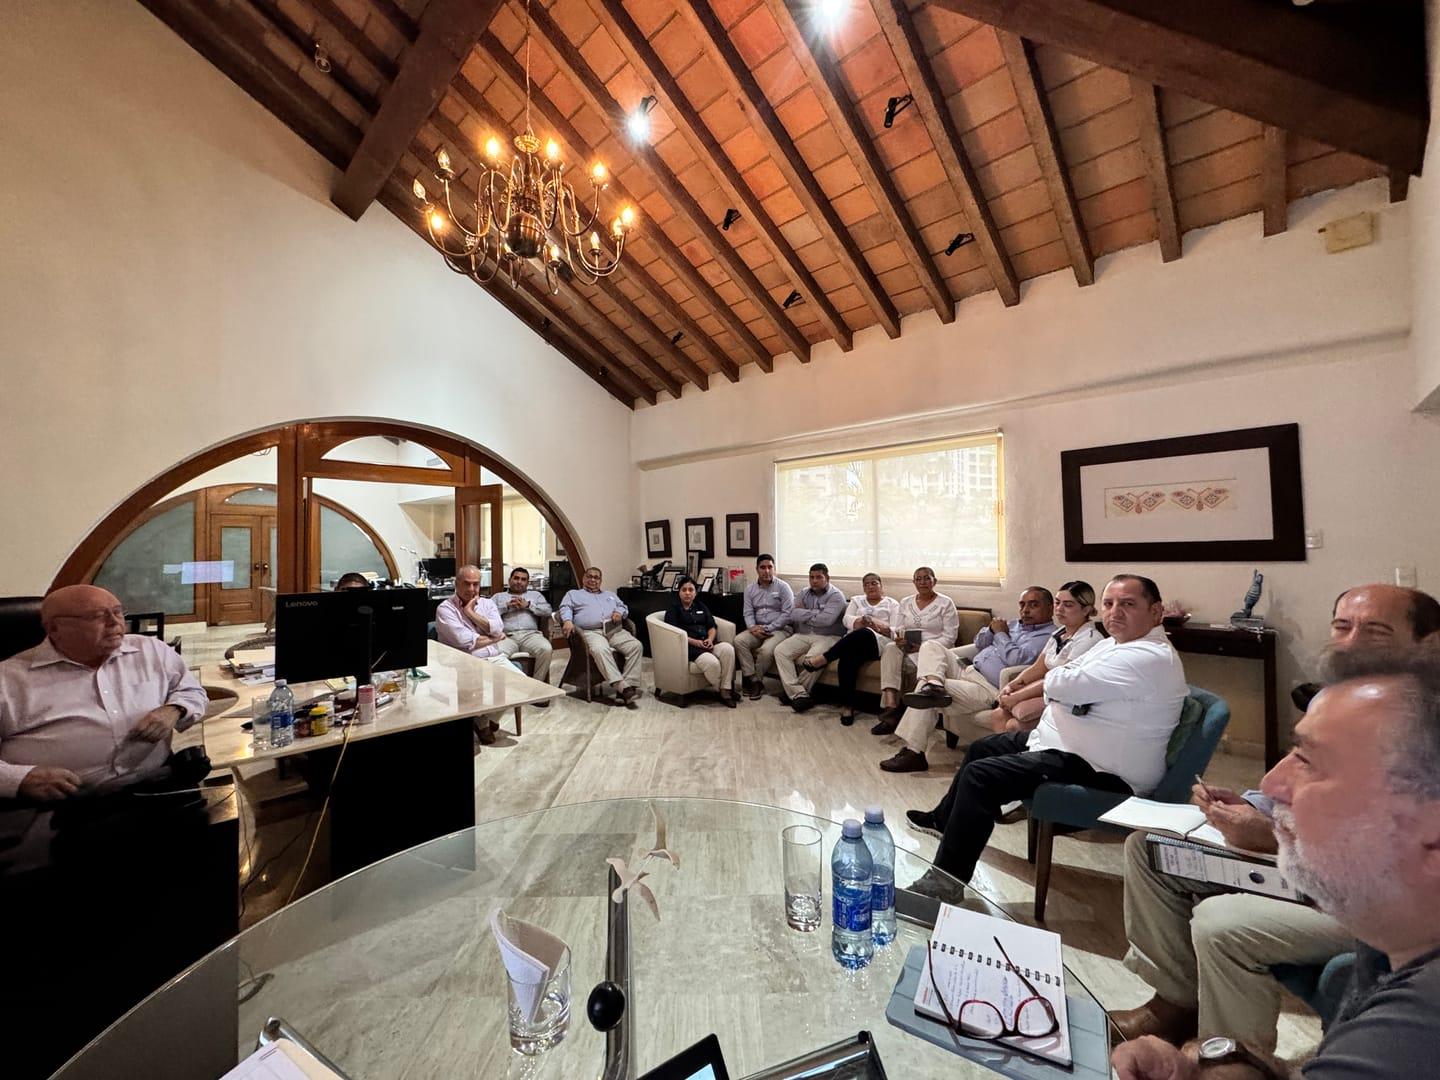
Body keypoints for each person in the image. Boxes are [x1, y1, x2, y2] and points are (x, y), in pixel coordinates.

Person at [1111, 583, 1440, 1062]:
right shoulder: (1336, 699)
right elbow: (1295, 781)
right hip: (1297, 850)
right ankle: (1174, 1002)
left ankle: (1231, 1059)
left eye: (1374, 631)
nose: (1350, 643)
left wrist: (1267, 833)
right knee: (1149, 848)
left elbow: (1381, 851)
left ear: (1428, 643)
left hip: (1354, 891)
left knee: (1221, 922)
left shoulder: (1422, 722)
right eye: (1342, 627)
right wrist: (1250, 805)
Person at [906, 575, 1187, 895]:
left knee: (980, 776)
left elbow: (1061, 683)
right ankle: (944, 820)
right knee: (982, 749)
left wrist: (1064, 682)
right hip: (1067, 745)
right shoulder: (1113, 644)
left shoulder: (1147, 656)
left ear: (1156, 611)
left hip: (1103, 770)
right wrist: (1064, 682)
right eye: (1109, 604)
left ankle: (945, 883)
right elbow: (1062, 676)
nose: (1115, 612)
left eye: (1128, 604)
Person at [0, 584, 208, 800]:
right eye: (96, 616)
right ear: (54, 628)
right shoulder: (8, 679)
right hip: (59, 805)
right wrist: (20, 779)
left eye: (118, 612)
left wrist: (174, 709)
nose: (114, 622)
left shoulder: (150, 650)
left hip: (157, 787)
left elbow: (191, 690)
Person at [880, 586, 1057, 773]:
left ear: (1050, 608)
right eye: (1022, 605)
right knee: (931, 646)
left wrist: (1000, 634)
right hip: (969, 668)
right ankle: (934, 684)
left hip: (989, 687)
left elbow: (1017, 660)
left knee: (924, 690)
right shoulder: (1014, 624)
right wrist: (991, 629)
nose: (1025, 610)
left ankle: (914, 752)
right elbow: (979, 642)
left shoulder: (1048, 636)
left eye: (1033, 605)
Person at [988, 581, 1104, 733]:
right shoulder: (1060, 633)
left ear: (1086, 610)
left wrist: (1017, 697)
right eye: (1057, 602)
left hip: (1067, 697)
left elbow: (1059, 679)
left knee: (1014, 724)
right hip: (1048, 689)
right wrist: (1011, 686)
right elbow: (1038, 668)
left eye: (1068, 605)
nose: (1059, 609)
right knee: (998, 715)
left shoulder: (1089, 639)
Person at [800, 573, 902, 726]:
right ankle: (848, 706)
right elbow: (847, 620)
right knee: (847, 658)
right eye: (866, 584)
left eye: (874, 583)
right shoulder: (856, 600)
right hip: (853, 643)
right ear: (863, 588)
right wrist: (861, 620)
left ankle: (825, 658)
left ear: (881, 586)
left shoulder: (892, 604)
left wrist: (876, 625)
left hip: (878, 644)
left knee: (864, 633)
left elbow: (896, 629)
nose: (870, 586)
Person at [435, 564, 522, 743]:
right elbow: (464, 641)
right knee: (483, 684)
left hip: (494, 657)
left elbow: (497, 628)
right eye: (467, 584)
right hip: (465, 661)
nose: (471, 589)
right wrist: (494, 638)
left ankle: (487, 718)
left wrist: (469, 612)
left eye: (475, 584)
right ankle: (483, 724)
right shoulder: (445, 609)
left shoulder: (487, 604)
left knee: (521, 684)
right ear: (457, 584)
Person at [873, 567, 959, 730]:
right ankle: (891, 704)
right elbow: (898, 629)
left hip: (933, 651)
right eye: (918, 579)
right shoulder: (906, 602)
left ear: (934, 581)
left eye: (927, 578)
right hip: (908, 647)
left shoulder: (945, 603)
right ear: (914, 582)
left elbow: (950, 637)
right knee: (890, 648)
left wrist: (923, 647)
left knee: (905, 665)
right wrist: (898, 638)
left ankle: (897, 715)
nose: (922, 582)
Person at [561, 566, 643, 709]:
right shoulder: (573, 594)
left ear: (601, 580)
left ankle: (628, 686)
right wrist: (567, 620)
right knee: (601, 649)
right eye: (590, 576)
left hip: (613, 630)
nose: (593, 580)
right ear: (583, 578)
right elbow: (565, 607)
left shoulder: (610, 595)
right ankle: (622, 687)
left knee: (636, 646)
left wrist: (619, 612)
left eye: (596, 577)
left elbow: (623, 606)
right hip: (591, 632)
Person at [773, 563, 847, 712]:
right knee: (780, 651)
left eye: (819, 577)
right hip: (804, 634)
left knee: (813, 658)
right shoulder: (804, 593)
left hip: (828, 636)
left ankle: (793, 694)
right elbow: (793, 614)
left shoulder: (836, 596)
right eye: (811, 577)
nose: (814, 581)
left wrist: (805, 613)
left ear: (827, 578)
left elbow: (827, 620)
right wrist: (816, 614)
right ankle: (799, 693)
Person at [665, 576, 738, 708]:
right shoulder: (673, 609)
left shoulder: (701, 606)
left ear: (695, 592)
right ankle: (722, 689)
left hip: (708, 643)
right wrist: (695, 642)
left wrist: (710, 639)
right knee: (712, 663)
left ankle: (725, 690)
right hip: (690, 648)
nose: (687, 593)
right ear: (679, 592)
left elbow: (712, 626)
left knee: (728, 649)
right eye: (684, 590)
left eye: (691, 590)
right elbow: (674, 633)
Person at [491, 566, 555, 706]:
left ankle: (535, 690)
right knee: (495, 654)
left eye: (523, 579)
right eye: (516, 578)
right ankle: (508, 691)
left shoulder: (535, 595)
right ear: (510, 580)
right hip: (506, 636)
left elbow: (548, 611)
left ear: (527, 582)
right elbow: (486, 614)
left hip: (531, 635)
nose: (519, 582)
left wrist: (528, 605)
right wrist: (506, 607)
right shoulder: (498, 597)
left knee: (546, 649)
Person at [734, 554, 794, 698]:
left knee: (766, 651)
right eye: (763, 567)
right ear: (757, 569)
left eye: (770, 567)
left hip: (780, 629)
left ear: (774, 569)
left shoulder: (783, 587)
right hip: (757, 628)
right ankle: (753, 679)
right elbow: (748, 612)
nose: (766, 571)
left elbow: (787, 614)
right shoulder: (750, 589)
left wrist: (769, 628)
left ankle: (756, 681)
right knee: (739, 640)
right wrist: (752, 627)